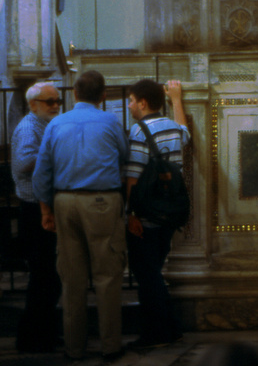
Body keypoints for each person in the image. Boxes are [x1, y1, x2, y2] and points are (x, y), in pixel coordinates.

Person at [33, 69, 128, 364]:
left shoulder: (55, 123)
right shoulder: (111, 121)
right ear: (102, 96)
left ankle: (74, 349)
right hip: (102, 201)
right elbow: (124, 158)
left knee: (71, 278)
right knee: (107, 276)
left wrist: (46, 210)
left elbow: (41, 173)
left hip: (64, 202)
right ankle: (110, 346)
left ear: (74, 93)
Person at [125, 79, 190, 350]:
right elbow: (186, 132)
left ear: (142, 103)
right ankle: (171, 329)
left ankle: (157, 333)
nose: (129, 106)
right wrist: (176, 99)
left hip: (147, 215)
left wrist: (130, 215)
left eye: (130, 100)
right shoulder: (174, 128)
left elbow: (132, 177)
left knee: (146, 274)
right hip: (170, 213)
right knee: (154, 271)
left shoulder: (138, 131)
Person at [10, 81, 62, 353]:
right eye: (49, 101)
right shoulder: (30, 127)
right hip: (34, 209)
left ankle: (45, 334)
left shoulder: (43, 125)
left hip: (42, 206)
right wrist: (55, 154)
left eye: (57, 101)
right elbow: (22, 163)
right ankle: (33, 339)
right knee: (42, 276)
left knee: (49, 277)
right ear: (33, 104)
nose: (55, 106)